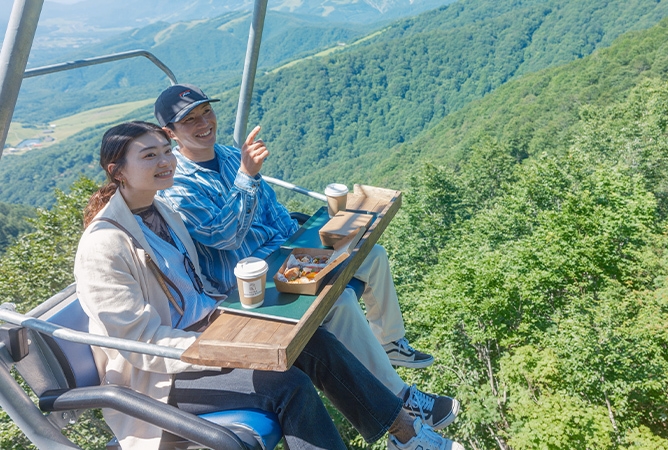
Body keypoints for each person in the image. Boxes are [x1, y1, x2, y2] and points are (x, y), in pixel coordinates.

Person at [74, 121, 464, 450]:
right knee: (287, 383)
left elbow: (192, 288)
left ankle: (406, 434)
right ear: (118, 170)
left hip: (206, 333)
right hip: (163, 377)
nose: (164, 161)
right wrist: (217, 348)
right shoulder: (104, 244)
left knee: (315, 342)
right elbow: (137, 342)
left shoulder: (162, 209)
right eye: (148, 155)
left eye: (165, 151)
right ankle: (406, 430)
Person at [154, 84, 459, 429]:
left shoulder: (227, 155)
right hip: (251, 283)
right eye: (189, 119)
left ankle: (389, 343)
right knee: (339, 301)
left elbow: (270, 207)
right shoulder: (176, 183)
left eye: (206, 111)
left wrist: (304, 243)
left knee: (371, 255)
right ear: (170, 133)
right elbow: (224, 236)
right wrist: (247, 176)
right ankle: (401, 399)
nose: (203, 122)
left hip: (285, 257)